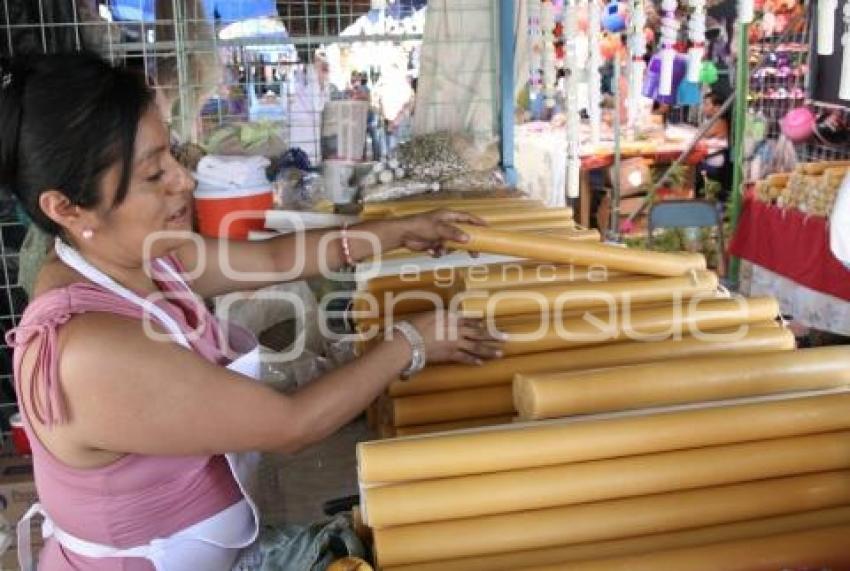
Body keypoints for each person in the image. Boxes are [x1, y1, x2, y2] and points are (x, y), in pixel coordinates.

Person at [0, 52, 503, 570]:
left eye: (172, 154)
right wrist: (410, 342)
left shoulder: (148, 258)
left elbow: (275, 257)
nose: (185, 181)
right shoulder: (90, 350)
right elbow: (292, 425)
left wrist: (399, 232)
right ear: (65, 207)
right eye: (154, 175)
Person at [696, 91, 732, 202]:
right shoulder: (713, 121)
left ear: (717, 107)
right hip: (710, 159)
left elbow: (700, 134)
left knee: (691, 171)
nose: (704, 108)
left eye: (707, 104)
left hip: (713, 162)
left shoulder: (719, 122)